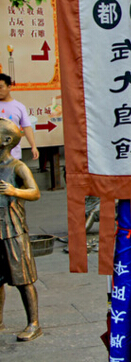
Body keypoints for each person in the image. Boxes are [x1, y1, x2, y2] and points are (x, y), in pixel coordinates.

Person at [0, 117, 42, 341]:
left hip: (12, 230)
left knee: (23, 278)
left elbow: (35, 192)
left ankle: (34, 323)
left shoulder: (17, 166)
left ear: (6, 141)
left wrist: (14, 191)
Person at [0, 75, 38, 161]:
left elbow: (27, 127)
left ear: (9, 87)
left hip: (13, 156)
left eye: (1, 87)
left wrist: (33, 146)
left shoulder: (19, 107)